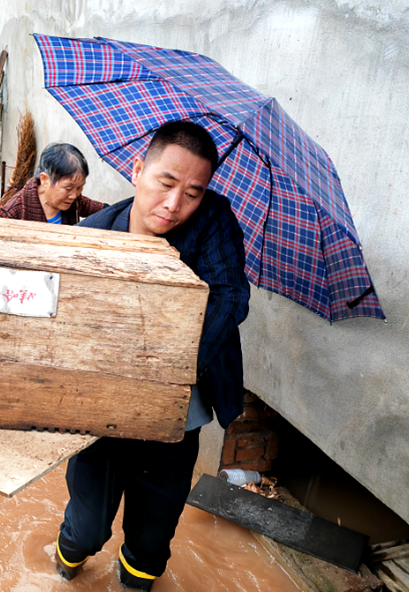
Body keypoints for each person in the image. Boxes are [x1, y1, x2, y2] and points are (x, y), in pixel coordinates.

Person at [53, 121, 251, 590]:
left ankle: (135, 579)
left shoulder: (214, 220)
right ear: (139, 168)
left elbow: (230, 297)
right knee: (87, 526)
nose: (174, 204)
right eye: (166, 183)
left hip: (176, 415)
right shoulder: (91, 234)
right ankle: (65, 568)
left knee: (152, 539)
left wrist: (166, 370)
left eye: (193, 192)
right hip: (100, 412)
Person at [0, 142, 104, 224]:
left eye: (79, 188)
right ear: (45, 180)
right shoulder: (13, 213)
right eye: (68, 188)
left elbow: (106, 211)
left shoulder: (76, 202)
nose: (74, 195)